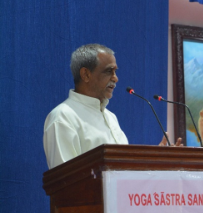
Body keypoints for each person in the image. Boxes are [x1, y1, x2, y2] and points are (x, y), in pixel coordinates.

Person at [43, 44, 180, 168]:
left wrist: (157, 160)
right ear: (86, 74)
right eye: (109, 71)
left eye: (115, 72)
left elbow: (124, 171)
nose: (115, 78)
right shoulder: (63, 117)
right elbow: (64, 183)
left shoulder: (110, 117)